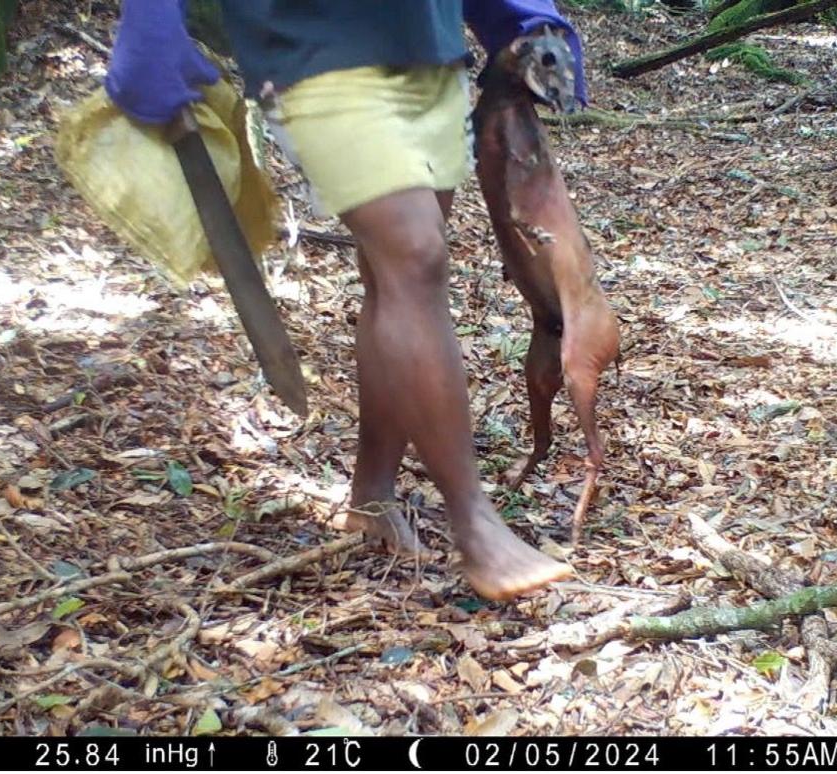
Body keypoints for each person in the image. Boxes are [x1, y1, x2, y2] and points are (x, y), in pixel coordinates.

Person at [105, 0, 589, 601]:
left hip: (427, 46)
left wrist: (520, 17)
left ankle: (371, 495)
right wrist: (151, 22)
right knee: (415, 256)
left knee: (391, 275)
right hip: (310, 48)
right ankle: (476, 525)